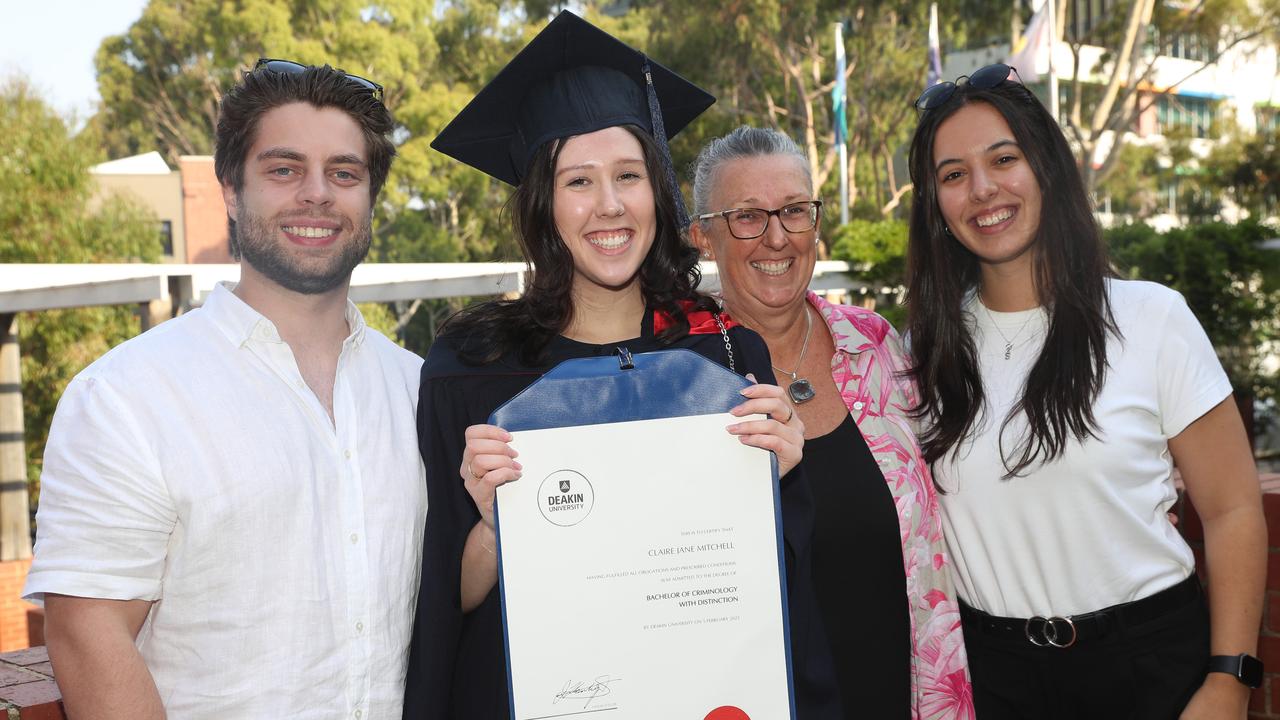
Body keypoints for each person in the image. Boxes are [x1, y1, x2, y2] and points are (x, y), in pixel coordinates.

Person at [403, 12, 839, 719]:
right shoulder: (471, 369)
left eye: (629, 176)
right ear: (543, 205)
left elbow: (773, 595)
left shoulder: (723, 354)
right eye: (578, 181)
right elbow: (444, 607)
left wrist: (779, 472)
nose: (609, 205)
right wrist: (492, 524)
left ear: (657, 192)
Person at [23, 60, 425, 718]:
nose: (317, 194)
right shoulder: (125, 399)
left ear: (369, 198)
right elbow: (87, 633)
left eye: (344, 173)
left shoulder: (416, 388)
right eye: (284, 169)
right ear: (232, 193)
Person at [905, 64, 1266, 719]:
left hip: (1151, 669)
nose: (983, 189)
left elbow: (1233, 509)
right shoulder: (924, 351)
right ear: (935, 203)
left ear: (1046, 168)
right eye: (953, 174)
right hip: (995, 678)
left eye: (1003, 159)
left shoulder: (1151, 319)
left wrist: (1230, 680)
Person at [689, 126, 974, 719]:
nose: (777, 237)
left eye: (795, 211)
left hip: (901, 692)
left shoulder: (875, 347)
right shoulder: (679, 378)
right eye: (746, 216)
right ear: (703, 238)